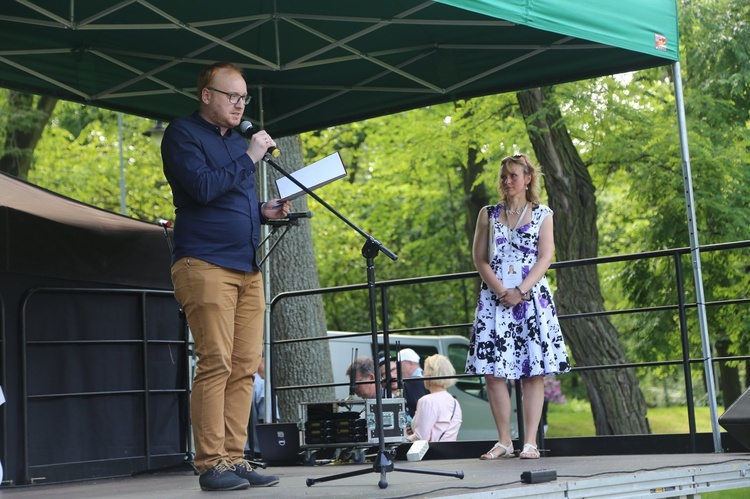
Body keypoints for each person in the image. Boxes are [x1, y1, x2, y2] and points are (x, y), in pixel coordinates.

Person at [162, 61, 290, 491]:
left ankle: (234, 459)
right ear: (207, 95)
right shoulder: (182, 133)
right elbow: (201, 189)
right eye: (232, 96)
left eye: (243, 98)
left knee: (244, 367)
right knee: (215, 362)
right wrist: (251, 156)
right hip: (204, 262)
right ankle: (210, 463)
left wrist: (262, 211)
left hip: (246, 268)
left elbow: (231, 198)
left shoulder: (238, 142)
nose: (239, 105)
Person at [465, 153, 570, 460]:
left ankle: (530, 442)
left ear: (527, 179)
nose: (507, 181)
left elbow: (545, 257)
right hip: (495, 300)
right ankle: (503, 441)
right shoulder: (488, 213)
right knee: (494, 372)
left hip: (530, 300)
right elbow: (479, 259)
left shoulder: (543, 214)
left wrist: (520, 291)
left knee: (532, 370)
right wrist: (501, 291)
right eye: (504, 176)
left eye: (513, 175)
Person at [407, 354, 462, 442]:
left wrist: (404, 439)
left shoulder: (426, 401)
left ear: (429, 377)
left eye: (423, 373)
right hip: (451, 452)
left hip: (432, 454)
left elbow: (421, 437)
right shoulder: (455, 402)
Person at [396, 349, 429, 418]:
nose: (397, 369)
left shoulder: (414, 382)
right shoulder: (427, 378)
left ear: (410, 363)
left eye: (399, 365)